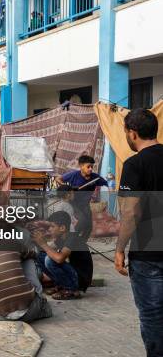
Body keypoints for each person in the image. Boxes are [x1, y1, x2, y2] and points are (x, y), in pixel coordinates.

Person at [115, 108, 163, 356]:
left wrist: (120, 248)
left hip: (149, 256)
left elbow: (131, 213)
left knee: (153, 316)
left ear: (132, 133)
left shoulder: (135, 165)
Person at [33, 211, 93, 300]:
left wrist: (43, 244)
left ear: (62, 228)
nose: (49, 229)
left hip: (81, 279)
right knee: (40, 256)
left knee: (49, 260)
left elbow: (59, 259)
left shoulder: (73, 238)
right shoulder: (60, 238)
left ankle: (71, 289)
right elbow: (47, 250)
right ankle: (61, 285)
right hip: (74, 274)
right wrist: (38, 240)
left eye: (52, 226)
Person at [56, 155, 108, 239]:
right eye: (88, 167)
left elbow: (107, 183)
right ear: (81, 166)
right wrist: (68, 188)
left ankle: (81, 244)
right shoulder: (74, 175)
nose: (91, 169)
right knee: (82, 220)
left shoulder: (95, 177)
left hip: (85, 205)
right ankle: (70, 241)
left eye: (92, 167)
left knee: (89, 227)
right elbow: (58, 179)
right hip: (73, 203)